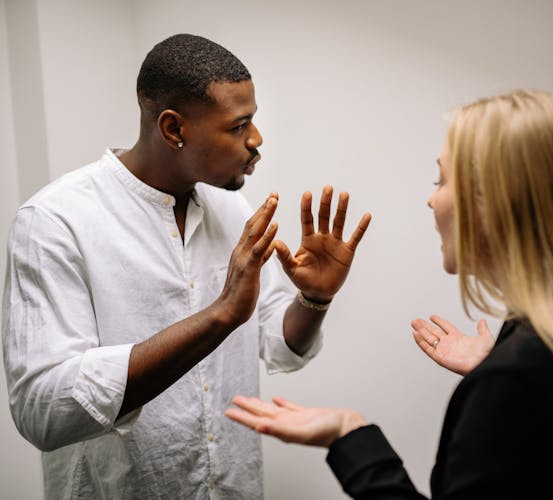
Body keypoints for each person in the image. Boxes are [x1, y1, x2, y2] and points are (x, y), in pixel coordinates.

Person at [225, 90, 553, 499]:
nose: (432, 199)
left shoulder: (520, 379)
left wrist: (350, 434)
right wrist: (505, 363)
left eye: (441, 179)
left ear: (494, 202)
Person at [2, 34, 370, 499]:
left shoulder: (233, 211)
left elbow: (279, 344)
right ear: (174, 129)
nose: (256, 141)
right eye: (239, 126)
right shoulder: (56, 222)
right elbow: (43, 410)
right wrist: (218, 316)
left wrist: (314, 299)